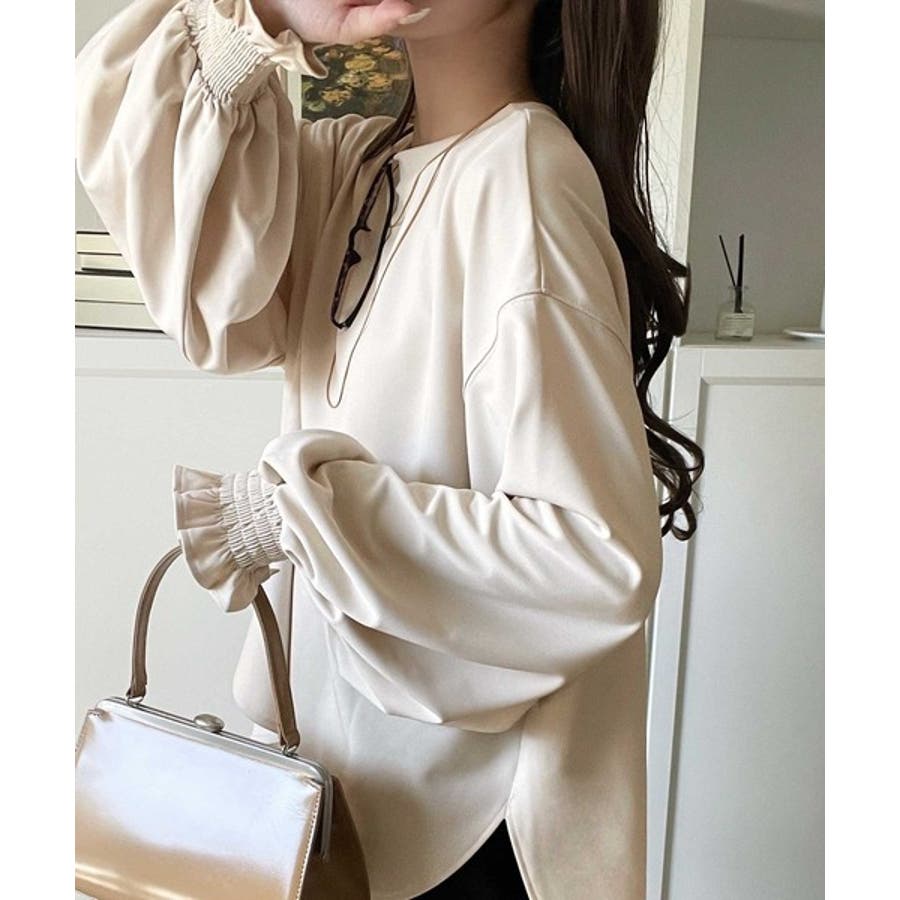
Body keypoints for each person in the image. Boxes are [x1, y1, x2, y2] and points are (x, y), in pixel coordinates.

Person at [74, 0, 703, 897]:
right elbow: (194, 250)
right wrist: (268, 12)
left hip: (469, 823)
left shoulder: (523, 178)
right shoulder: (360, 161)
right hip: (340, 788)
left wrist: (299, 514)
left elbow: (592, 556)